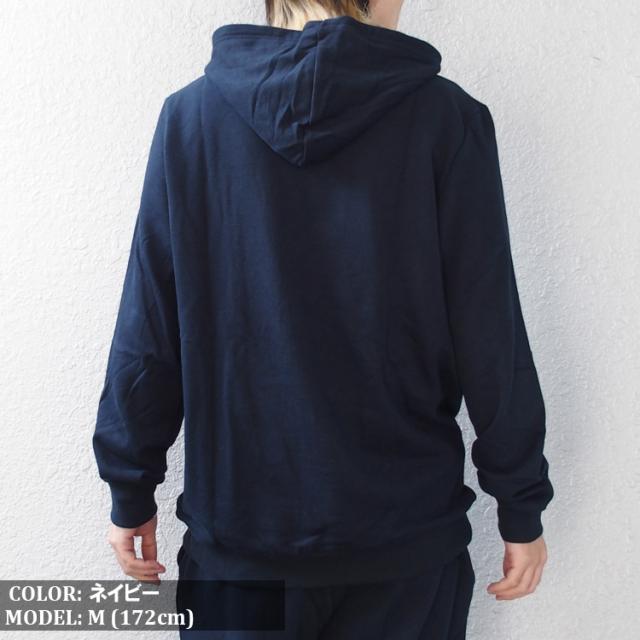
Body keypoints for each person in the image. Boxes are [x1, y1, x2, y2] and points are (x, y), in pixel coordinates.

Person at [92, 0, 555, 637]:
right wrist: (520, 501)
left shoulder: (192, 119)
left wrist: (130, 484)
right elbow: (489, 331)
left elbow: (150, 328)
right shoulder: (446, 119)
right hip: (404, 547)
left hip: (243, 548)